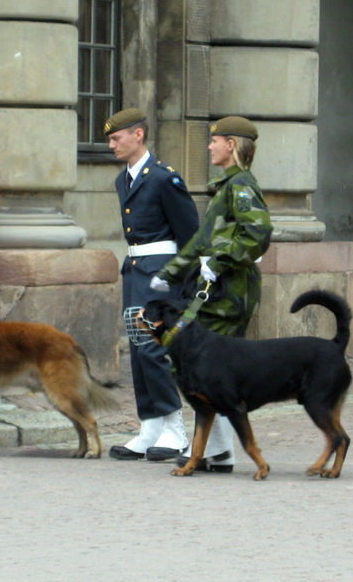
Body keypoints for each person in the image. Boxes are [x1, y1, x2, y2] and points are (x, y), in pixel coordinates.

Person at [152, 116, 273, 472]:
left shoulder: (241, 186)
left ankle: (217, 452)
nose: (209, 146)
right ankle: (217, 451)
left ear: (231, 145)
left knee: (208, 371)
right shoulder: (226, 186)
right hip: (218, 291)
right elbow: (201, 241)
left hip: (229, 294)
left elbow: (259, 233)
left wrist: (219, 262)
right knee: (207, 371)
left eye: (215, 140)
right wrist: (169, 273)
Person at [104, 108, 199, 462]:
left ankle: (175, 429)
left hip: (161, 273)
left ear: (138, 135)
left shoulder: (163, 178)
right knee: (138, 349)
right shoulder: (122, 180)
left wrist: (181, 281)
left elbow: (189, 233)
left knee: (155, 348)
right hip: (136, 270)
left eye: (117, 138)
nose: (111, 145)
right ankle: (150, 426)